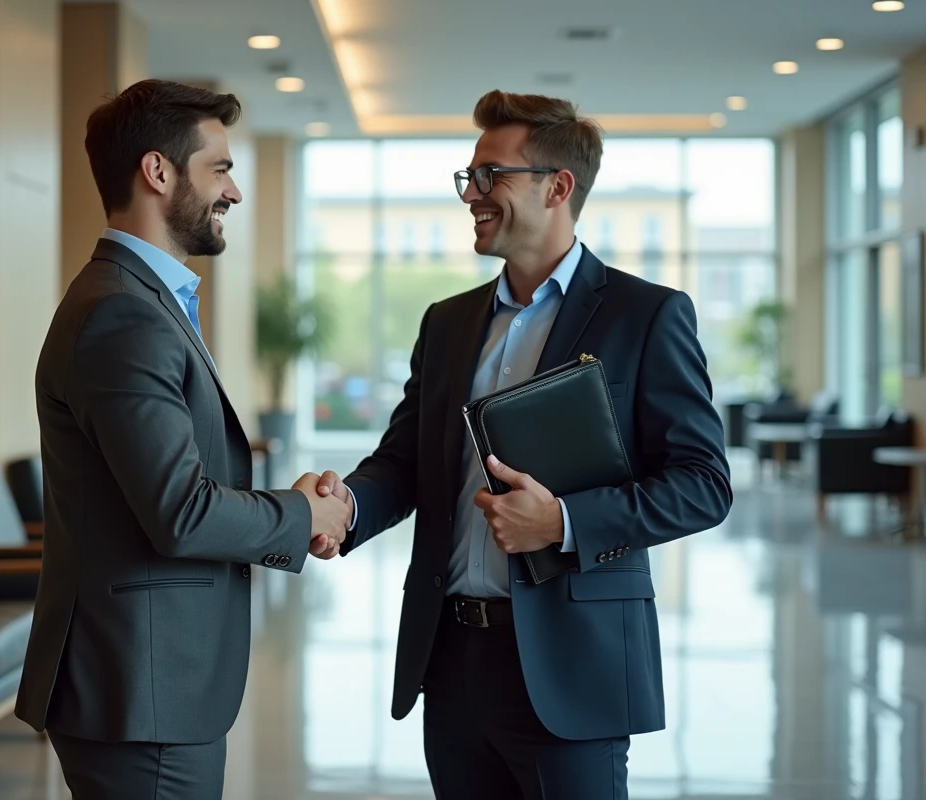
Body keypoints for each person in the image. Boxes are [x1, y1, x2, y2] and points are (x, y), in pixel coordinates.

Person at [312, 90, 733, 798]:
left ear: (558, 187)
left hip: (571, 666)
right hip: (450, 660)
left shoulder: (647, 315)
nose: (471, 194)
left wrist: (564, 522)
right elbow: (408, 461)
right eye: (468, 177)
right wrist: (346, 506)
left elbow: (703, 483)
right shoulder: (447, 322)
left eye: (491, 175)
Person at [14, 79, 350, 800]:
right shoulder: (123, 316)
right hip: (142, 688)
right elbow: (181, 510)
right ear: (157, 172)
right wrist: (302, 516)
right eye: (220, 168)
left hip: (150, 682)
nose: (234, 192)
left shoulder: (140, 301)